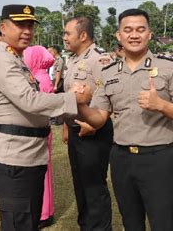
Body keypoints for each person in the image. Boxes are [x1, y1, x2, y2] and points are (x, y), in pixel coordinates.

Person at [77, 8, 173, 231]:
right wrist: (79, 104)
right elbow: (99, 118)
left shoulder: (169, 67)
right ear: (118, 35)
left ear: (149, 34)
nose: (134, 35)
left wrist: (161, 105)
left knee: (162, 224)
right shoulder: (108, 72)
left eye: (140, 30)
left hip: (158, 158)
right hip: (121, 158)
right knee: (130, 223)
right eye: (128, 30)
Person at [0, 4, 86, 231]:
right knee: (18, 224)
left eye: (30, 25)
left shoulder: (15, 58)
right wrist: (71, 99)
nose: (27, 30)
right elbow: (29, 100)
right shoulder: (2, 60)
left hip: (27, 155)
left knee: (27, 222)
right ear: (3, 27)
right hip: (14, 158)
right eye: (20, 25)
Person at [62, 16, 114, 231]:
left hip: (94, 132)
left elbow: (112, 95)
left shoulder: (100, 60)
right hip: (76, 131)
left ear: (82, 35)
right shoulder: (74, 59)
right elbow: (69, 97)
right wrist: (66, 125)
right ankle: (86, 226)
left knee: (94, 187)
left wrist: (96, 124)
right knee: (80, 184)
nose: (64, 37)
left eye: (67, 33)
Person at [23, 45, 56, 228]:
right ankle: (44, 211)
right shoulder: (41, 75)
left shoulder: (38, 78)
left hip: (38, 130)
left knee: (41, 173)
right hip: (40, 130)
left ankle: (44, 213)